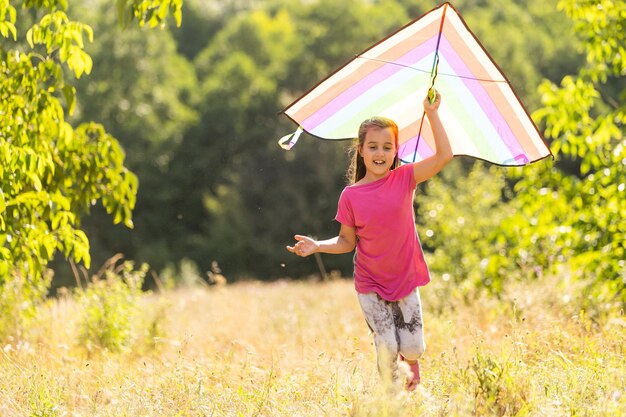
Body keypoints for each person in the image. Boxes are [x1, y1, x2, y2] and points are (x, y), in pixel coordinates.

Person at [286, 91, 452, 390]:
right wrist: (317, 245)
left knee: (413, 348)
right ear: (360, 150)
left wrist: (433, 113)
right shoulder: (351, 195)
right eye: (373, 146)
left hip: (405, 277)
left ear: (395, 151)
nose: (380, 153)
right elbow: (346, 241)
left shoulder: (405, 178)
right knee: (387, 346)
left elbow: (443, 157)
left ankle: (410, 365)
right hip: (370, 283)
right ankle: (392, 400)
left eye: (387, 147)